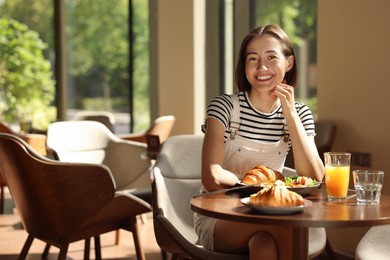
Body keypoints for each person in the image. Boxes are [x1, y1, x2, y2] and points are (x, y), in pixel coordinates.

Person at [194, 24, 325, 259]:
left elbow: (314, 177)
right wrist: (254, 187)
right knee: (284, 227)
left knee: (264, 246)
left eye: (271, 57)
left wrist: (291, 116)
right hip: (221, 217)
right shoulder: (224, 107)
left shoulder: (300, 113)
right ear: (244, 65)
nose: (261, 67)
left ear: (289, 63)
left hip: (271, 212)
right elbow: (212, 177)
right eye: (252, 58)